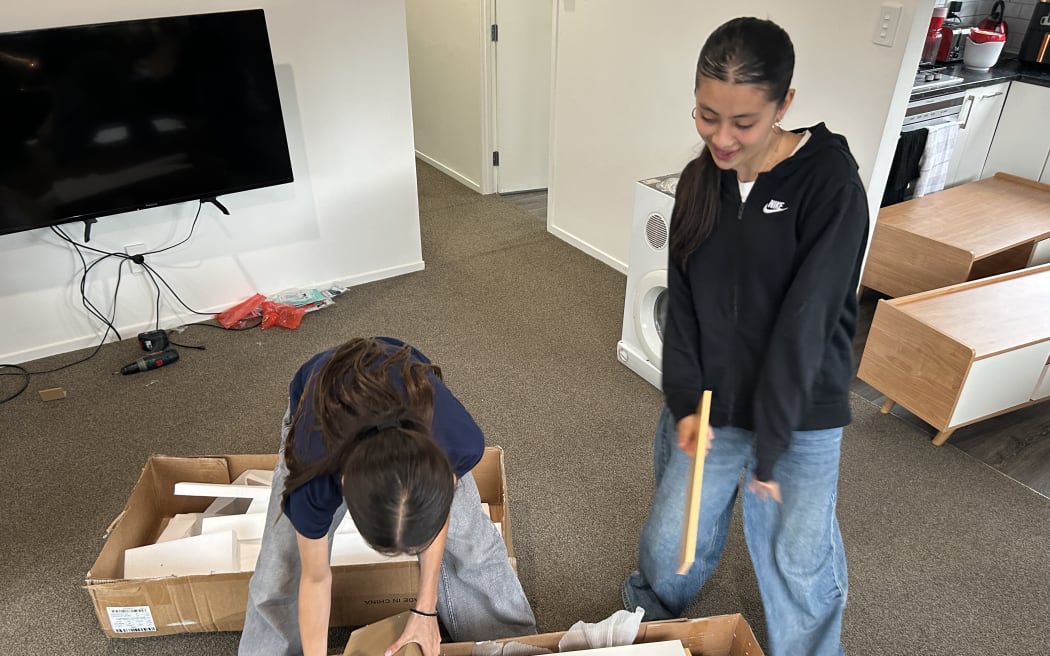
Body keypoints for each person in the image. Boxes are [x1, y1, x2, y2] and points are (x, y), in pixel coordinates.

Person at [622, 17, 869, 656]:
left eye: (743, 123)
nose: (722, 139)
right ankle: (644, 630)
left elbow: (807, 322)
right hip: (712, 401)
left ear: (784, 105)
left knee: (797, 554)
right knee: (673, 536)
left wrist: (771, 446)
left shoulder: (829, 184)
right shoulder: (701, 180)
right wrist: (683, 399)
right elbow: (685, 301)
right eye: (707, 116)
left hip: (800, 409)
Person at [240, 336, 537, 656]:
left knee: (472, 541)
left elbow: (438, 512)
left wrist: (425, 609)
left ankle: (509, 644)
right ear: (343, 483)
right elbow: (315, 578)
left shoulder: (459, 441)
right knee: (281, 568)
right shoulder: (313, 472)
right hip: (320, 405)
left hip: (416, 411)